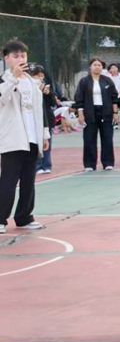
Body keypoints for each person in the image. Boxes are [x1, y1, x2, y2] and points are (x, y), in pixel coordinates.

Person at [0, 41, 50, 234]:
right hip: (12, 139)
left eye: (23, 55)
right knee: (9, 180)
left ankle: (24, 217)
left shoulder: (32, 82)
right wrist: (13, 78)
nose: (20, 59)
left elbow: (40, 109)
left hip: (32, 137)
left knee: (29, 180)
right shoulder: (4, 80)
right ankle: (1, 219)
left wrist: (44, 134)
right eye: (15, 56)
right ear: (6, 59)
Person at [74, 57, 119, 171]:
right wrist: (80, 114)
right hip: (90, 113)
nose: (97, 67)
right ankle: (89, 164)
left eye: (99, 65)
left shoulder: (107, 81)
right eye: (95, 65)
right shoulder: (84, 81)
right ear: (90, 67)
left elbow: (114, 98)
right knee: (89, 139)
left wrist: (115, 112)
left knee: (107, 139)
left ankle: (108, 162)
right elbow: (79, 99)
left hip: (106, 112)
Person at [30, 66, 56, 175]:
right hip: (34, 119)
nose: (39, 78)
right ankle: (37, 165)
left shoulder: (46, 87)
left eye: (41, 76)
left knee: (47, 142)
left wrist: (48, 93)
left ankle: (47, 165)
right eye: (36, 75)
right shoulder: (29, 88)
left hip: (47, 119)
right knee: (36, 143)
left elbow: (53, 103)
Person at [107, 63, 120, 128]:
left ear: (117, 69)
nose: (114, 69)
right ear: (110, 70)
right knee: (113, 111)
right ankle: (115, 124)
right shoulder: (108, 77)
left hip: (119, 96)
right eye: (112, 68)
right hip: (111, 97)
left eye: (115, 68)